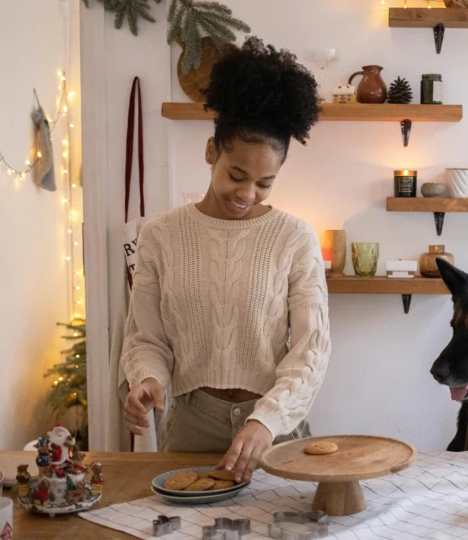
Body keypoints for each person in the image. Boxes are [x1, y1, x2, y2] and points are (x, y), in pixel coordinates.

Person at [121, 37, 330, 483]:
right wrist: (148, 380)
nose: (247, 194)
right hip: (191, 427)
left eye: (264, 183)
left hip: (273, 428)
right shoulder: (160, 235)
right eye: (237, 174)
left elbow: (310, 349)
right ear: (211, 151)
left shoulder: (294, 237)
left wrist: (267, 419)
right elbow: (146, 338)